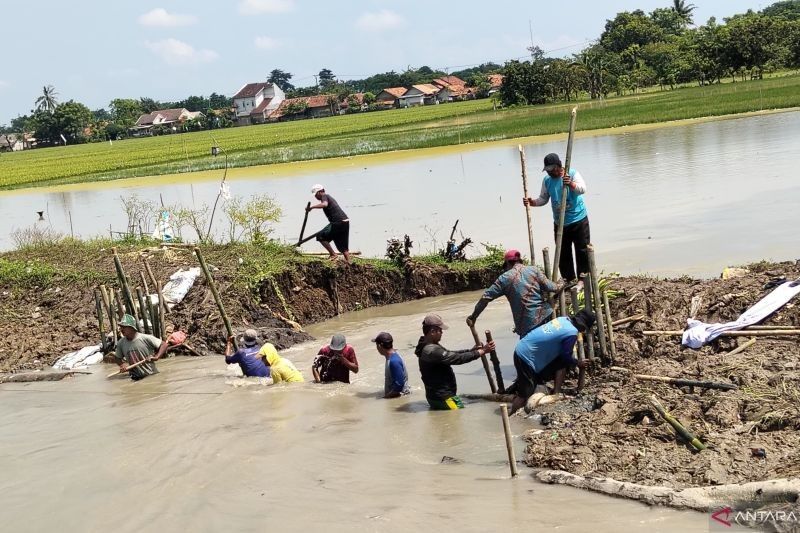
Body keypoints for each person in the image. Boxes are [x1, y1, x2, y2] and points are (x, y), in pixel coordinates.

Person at [510, 309, 596, 413]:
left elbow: (562, 357)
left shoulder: (563, 320)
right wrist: (578, 363)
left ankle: (556, 392)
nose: (582, 331)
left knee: (561, 362)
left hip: (524, 348)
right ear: (583, 325)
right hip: (525, 357)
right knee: (525, 393)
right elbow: (566, 355)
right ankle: (511, 415)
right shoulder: (571, 332)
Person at [523, 153, 590, 283]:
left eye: (551, 170)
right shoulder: (547, 181)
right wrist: (532, 203)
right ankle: (569, 280)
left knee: (582, 250)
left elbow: (582, 189)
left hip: (578, 220)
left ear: (558, 166)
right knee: (563, 253)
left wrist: (570, 184)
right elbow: (543, 198)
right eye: (547, 170)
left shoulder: (572, 173)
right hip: (560, 223)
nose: (549, 173)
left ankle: (583, 279)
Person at [467, 249, 559, 338]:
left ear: (507, 264)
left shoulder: (504, 279)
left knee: (527, 352)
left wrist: (473, 317)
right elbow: (552, 287)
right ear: (520, 261)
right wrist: (562, 284)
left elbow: (485, 298)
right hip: (546, 316)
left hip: (527, 325)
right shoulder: (534, 270)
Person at [414, 314, 495, 410]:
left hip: (434, 397)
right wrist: (481, 352)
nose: (442, 332)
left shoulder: (427, 345)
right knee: (459, 416)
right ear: (432, 331)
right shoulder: (432, 350)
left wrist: (471, 351)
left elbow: (450, 354)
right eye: (440, 330)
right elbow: (457, 358)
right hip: (445, 398)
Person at [115, 314, 169, 381]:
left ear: (132, 327)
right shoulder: (121, 343)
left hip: (151, 375)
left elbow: (164, 345)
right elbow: (117, 357)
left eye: (124, 327)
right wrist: (122, 365)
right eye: (121, 327)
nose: (121, 329)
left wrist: (156, 357)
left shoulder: (145, 338)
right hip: (134, 377)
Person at [308, 184, 351, 263]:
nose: (315, 197)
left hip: (337, 222)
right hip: (345, 221)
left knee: (320, 236)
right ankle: (349, 262)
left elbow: (325, 204)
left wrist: (311, 207)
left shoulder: (325, 196)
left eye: (316, 194)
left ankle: (333, 255)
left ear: (320, 192)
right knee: (343, 245)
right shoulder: (328, 197)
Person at [372, 332, 410, 398]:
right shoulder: (393, 356)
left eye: (376, 345)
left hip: (399, 401)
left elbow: (399, 386)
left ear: (380, 346)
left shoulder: (394, 361)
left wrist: (384, 398)